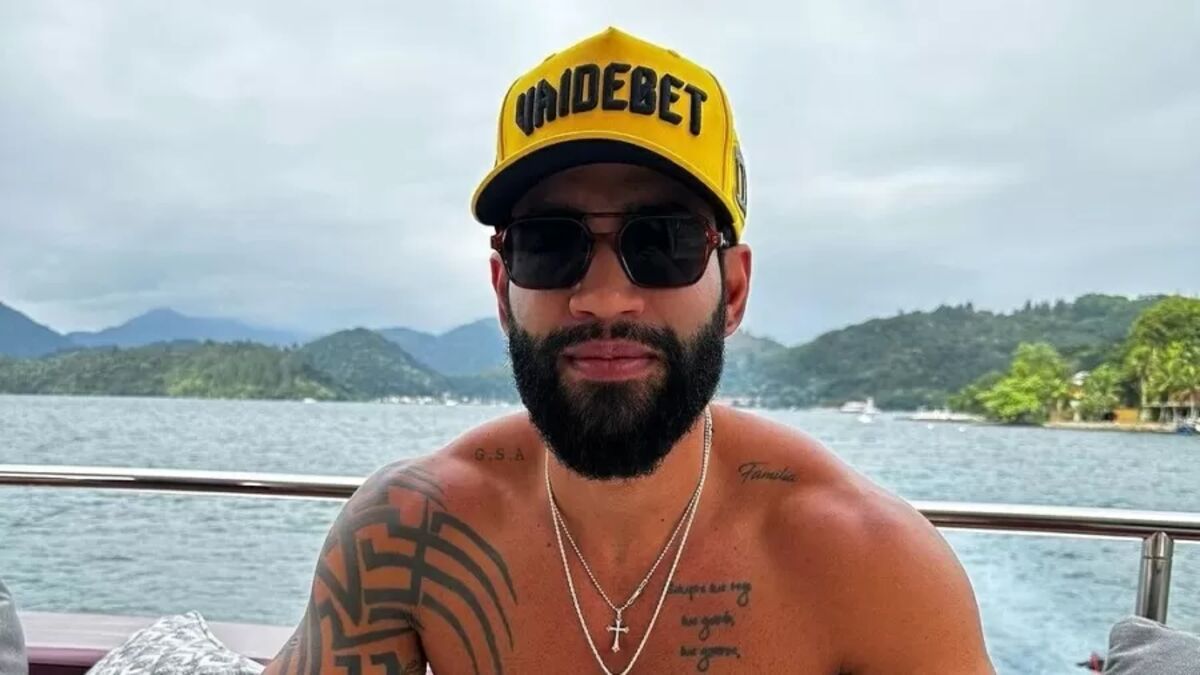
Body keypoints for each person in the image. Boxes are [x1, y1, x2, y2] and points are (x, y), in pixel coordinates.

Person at [265, 27, 995, 674]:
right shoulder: (411, 534)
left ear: (733, 291)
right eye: (550, 244)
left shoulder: (872, 565)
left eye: (664, 242)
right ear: (502, 290)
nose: (605, 297)